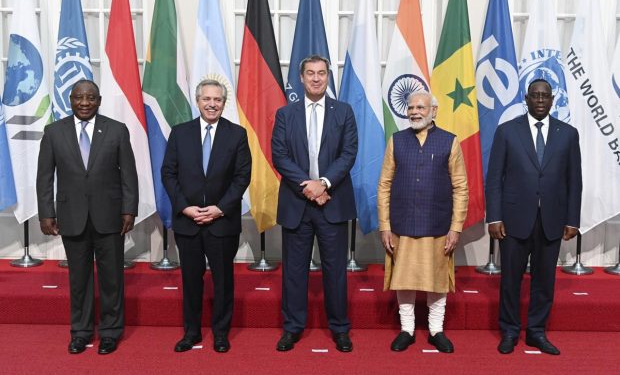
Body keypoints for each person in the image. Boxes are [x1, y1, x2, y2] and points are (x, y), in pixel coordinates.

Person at [36, 80, 138, 355]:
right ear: (70, 100)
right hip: (71, 216)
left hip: (110, 216)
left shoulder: (116, 130)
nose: (84, 103)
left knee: (111, 279)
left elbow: (129, 173)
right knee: (79, 281)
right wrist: (46, 213)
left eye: (90, 98)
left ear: (99, 100)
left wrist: (129, 209)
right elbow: (45, 177)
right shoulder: (54, 132)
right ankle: (80, 333)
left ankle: (110, 332)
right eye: (79, 98)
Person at [486, 78, 582, 355]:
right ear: (526, 99)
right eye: (535, 95)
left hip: (552, 220)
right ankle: (510, 331)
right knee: (510, 280)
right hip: (513, 219)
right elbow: (494, 179)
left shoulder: (568, 134)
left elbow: (574, 180)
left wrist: (572, 219)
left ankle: (537, 332)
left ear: (553, 100)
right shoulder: (506, 132)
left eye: (545, 96)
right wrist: (494, 217)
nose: (540, 100)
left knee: (544, 281)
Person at [272, 55, 358, 352]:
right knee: (294, 271)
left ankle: (340, 329)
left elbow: (349, 153)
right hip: (298, 204)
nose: (316, 78)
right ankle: (292, 328)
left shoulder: (344, 112)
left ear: (328, 77)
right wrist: (309, 187)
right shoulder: (286, 114)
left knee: (335, 271)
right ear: (302, 77)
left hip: (332, 202)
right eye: (310, 73)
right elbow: (280, 155)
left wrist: (323, 184)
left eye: (322, 73)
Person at [161, 79, 251, 354]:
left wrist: (220, 208)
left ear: (224, 103)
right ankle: (191, 332)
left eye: (217, 100)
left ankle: (221, 334)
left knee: (223, 280)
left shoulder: (237, 134)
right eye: (206, 99)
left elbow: (242, 176)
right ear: (197, 101)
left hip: (222, 221)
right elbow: (168, 173)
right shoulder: (180, 133)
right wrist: (185, 207)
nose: (212, 104)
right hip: (188, 220)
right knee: (190, 279)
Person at [377, 91, 468, 354]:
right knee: (404, 279)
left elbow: (461, 187)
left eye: (420, 107)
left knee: (436, 280)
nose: (415, 112)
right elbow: (384, 185)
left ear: (433, 111)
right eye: (411, 107)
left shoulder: (449, 142)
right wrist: (385, 225)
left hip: (438, 225)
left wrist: (456, 227)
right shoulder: (396, 141)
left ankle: (436, 331)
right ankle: (406, 330)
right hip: (401, 225)